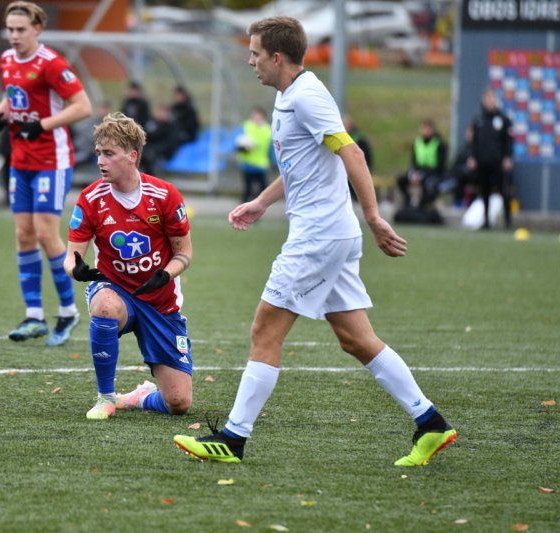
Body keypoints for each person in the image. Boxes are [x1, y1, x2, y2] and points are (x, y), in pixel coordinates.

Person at [172, 16, 456, 467]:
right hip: (327, 234)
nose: (250, 62)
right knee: (356, 338)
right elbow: (301, 167)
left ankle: (232, 439)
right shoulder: (291, 97)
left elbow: (352, 152)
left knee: (265, 330)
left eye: (255, 54)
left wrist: (375, 216)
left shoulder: (307, 96)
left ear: (278, 57)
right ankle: (431, 424)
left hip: (320, 236)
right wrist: (262, 202)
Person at [64, 112, 193, 420]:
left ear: (132, 156)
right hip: (116, 290)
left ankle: (138, 396)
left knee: (179, 403)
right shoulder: (91, 199)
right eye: (98, 153)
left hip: (160, 302)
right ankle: (105, 397)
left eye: (108, 153)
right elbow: (71, 257)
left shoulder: (164, 195)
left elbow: (184, 253)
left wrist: (166, 275)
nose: (100, 161)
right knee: (105, 306)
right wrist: (76, 270)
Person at [0, 1, 92, 346]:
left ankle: (68, 311)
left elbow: (82, 106)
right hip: (21, 159)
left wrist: (42, 125)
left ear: (37, 29)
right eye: (10, 29)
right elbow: (14, 95)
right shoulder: (6, 60)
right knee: (23, 236)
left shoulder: (51, 64)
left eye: (20, 29)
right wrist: (0, 113)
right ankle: (34, 316)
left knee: (48, 234)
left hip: (52, 159)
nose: (14, 36)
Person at [467, 88, 514, 229]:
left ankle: (508, 222)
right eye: (487, 99)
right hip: (482, 162)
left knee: (504, 192)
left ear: (496, 101)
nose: (490, 101)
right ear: (484, 101)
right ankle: (486, 221)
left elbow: (508, 141)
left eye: (492, 98)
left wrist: (507, 157)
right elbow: (473, 142)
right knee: (484, 192)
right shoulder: (478, 120)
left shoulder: (503, 120)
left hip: (498, 163)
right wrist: (472, 157)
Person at [396, 118, 447, 209]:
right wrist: (413, 173)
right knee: (401, 180)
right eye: (424, 128)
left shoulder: (439, 144)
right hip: (419, 172)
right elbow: (413, 162)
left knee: (430, 185)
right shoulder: (417, 142)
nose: (426, 131)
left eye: (428, 129)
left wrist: (423, 175)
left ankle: (422, 205)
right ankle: (408, 202)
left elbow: (440, 166)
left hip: (432, 173)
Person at [236, 106, 273, 202]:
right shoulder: (245, 126)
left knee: (263, 189)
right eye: (254, 116)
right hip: (247, 164)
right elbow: (237, 145)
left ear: (263, 117)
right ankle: (241, 211)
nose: (256, 118)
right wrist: (244, 146)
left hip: (261, 165)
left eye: (258, 116)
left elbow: (271, 148)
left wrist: (273, 162)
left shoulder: (268, 130)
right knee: (247, 190)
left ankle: (255, 206)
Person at [141, 103, 178, 176]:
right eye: (160, 112)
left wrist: (156, 149)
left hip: (163, 152)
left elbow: (169, 144)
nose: (161, 114)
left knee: (150, 157)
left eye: (164, 112)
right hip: (150, 149)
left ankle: (151, 179)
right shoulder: (152, 123)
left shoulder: (171, 126)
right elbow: (146, 137)